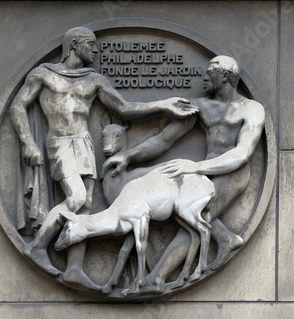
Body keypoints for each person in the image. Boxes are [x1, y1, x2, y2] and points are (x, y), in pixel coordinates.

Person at [10, 27, 196, 290]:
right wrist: (28, 141)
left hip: (84, 143)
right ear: (74, 44)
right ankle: (39, 246)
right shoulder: (43, 74)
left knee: (85, 204)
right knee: (74, 197)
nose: (96, 51)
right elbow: (18, 105)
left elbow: (124, 108)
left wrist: (163, 104)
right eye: (91, 45)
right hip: (60, 142)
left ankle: (74, 268)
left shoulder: (94, 80)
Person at [103, 55, 265, 292]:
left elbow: (242, 154)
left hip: (232, 174)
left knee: (189, 219)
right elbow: (164, 140)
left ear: (227, 77)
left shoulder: (251, 109)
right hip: (200, 176)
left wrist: (195, 167)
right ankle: (226, 238)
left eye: (212, 72)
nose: (205, 76)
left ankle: (156, 278)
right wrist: (130, 155)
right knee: (172, 202)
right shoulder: (199, 106)